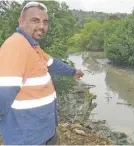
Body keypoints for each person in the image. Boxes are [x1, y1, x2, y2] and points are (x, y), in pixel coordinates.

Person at [0, 1, 84, 145]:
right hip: (27, 138)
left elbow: (52, 63)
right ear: (21, 21)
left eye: (45, 22)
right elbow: (3, 94)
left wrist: (73, 72)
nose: (42, 26)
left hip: (45, 132)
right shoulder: (15, 46)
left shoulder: (32, 47)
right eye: (35, 20)